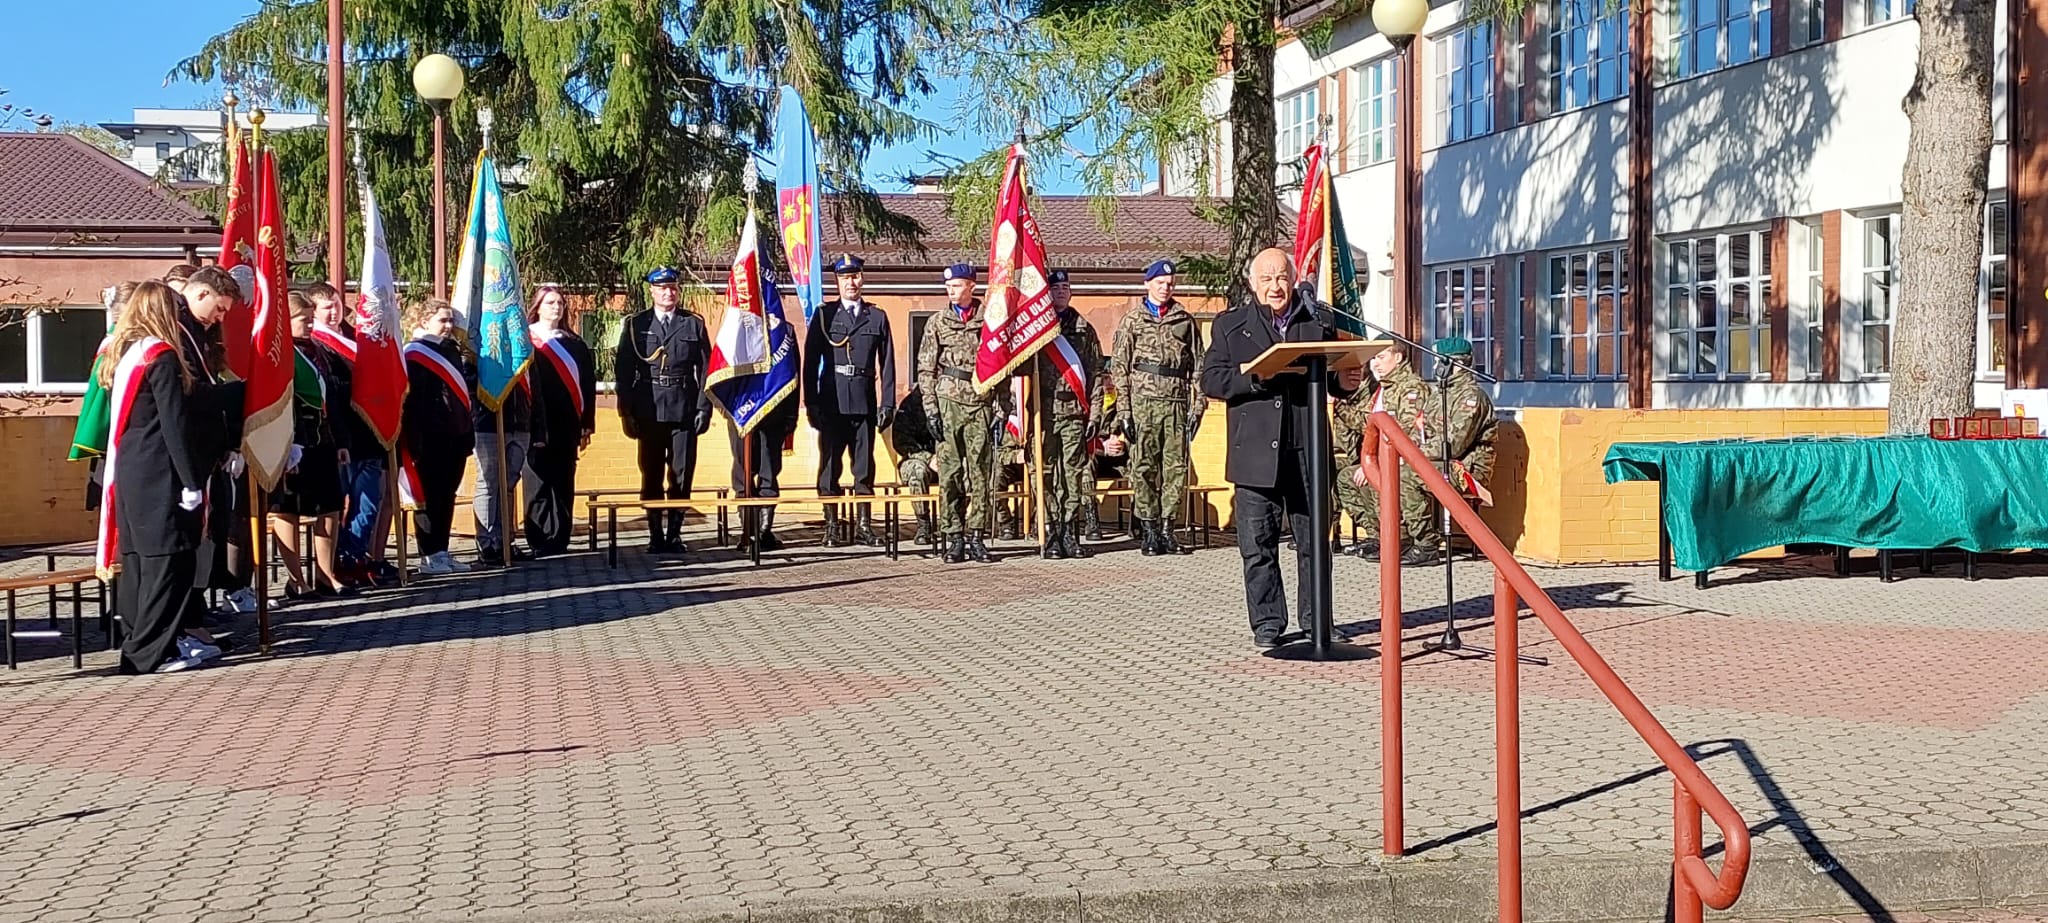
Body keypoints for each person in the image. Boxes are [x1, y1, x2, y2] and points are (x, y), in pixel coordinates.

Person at [1199, 249, 1362, 648]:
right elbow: (1212, 379)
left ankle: (1317, 621)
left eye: (1282, 278)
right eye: (1267, 279)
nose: (1276, 286)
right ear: (1252, 284)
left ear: (1293, 280)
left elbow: (1331, 374)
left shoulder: (1317, 322)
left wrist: (1345, 382)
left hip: (1307, 449)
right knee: (1258, 545)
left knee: (1314, 543)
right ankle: (1268, 624)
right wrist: (1253, 377)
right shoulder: (1231, 326)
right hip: (1255, 453)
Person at [100, 281, 221, 673]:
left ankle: (143, 643)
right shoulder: (162, 357)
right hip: (160, 472)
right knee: (168, 562)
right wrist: (191, 481)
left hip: (131, 468)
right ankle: (148, 653)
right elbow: (173, 424)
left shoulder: (124, 352)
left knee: (138, 562)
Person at [1110, 259, 1207, 556]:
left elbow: (1199, 367)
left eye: (1170, 283)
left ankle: (1168, 529)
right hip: (1142, 405)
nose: (1165, 288)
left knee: (1175, 469)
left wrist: (1198, 407)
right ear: (1147, 284)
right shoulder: (1132, 321)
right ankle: (1149, 529)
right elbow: (1119, 368)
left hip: (1176, 404)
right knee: (1143, 468)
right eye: (1160, 283)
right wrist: (1124, 412)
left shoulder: (1184, 321)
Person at [803, 254, 897, 546]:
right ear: (837, 282)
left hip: (864, 403)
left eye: (855, 277)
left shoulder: (876, 317)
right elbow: (810, 364)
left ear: (862, 279)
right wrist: (812, 403)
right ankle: (831, 525)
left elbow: (888, 364)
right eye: (845, 278)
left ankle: (864, 526)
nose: (851, 283)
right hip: (831, 405)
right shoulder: (825, 316)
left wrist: (887, 403)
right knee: (830, 467)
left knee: (864, 467)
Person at [615, 266, 711, 554]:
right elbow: (623, 373)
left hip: (684, 408)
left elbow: (706, 369)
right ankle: (655, 534)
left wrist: (703, 408)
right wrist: (626, 412)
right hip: (650, 408)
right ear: (652, 291)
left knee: (682, 473)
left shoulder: (693, 323)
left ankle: (675, 534)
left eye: (672, 287)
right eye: (662, 288)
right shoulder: (636, 324)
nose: (668, 293)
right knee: (651, 473)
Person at [179, 267, 255, 621]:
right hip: (189, 452)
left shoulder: (201, 332)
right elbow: (190, 394)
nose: (221, 318)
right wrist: (234, 394)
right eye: (219, 308)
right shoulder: (178, 332)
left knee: (210, 531)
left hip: (211, 451)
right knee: (191, 539)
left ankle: (197, 608)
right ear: (201, 294)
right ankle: (189, 615)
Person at [916, 263, 1001, 564]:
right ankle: (953, 537)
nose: (951, 291)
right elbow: (926, 369)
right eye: (948, 286)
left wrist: (1002, 409)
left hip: (980, 400)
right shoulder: (938, 322)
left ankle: (976, 536)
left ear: (971, 287)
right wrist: (931, 410)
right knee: (950, 473)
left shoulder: (989, 321)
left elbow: (1002, 365)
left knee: (980, 473)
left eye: (956, 285)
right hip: (948, 402)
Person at [269, 291, 352, 598]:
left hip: (322, 441)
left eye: (309, 318)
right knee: (288, 510)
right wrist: (288, 443)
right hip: (293, 444)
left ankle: (326, 575)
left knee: (330, 507)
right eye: (303, 319)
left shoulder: (316, 350)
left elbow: (332, 398)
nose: (309, 325)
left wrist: (341, 440)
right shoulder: (278, 353)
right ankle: (296, 580)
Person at [1344, 343, 1443, 566]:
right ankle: (1381, 535)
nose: (1375, 364)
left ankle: (1417, 540)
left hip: (1405, 458)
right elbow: (1367, 425)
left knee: (1384, 479)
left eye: (1381, 357)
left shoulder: (1411, 387)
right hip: (1382, 457)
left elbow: (1405, 432)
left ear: (1398, 358)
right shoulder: (1383, 389)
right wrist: (1340, 405)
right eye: (1373, 359)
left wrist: (1376, 463)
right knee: (1346, 479)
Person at [1033, 269, 1106, 558]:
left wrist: (1096, 414)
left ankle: (1069, 531)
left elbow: (1096, 374)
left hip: (1074, 411)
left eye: (1065, 287)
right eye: (1055, 287)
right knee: (1046, 472)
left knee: (1073, 474)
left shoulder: (1083, 328)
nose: (1061, 291)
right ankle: (1051, 530)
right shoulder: (1035, 328)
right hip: (1043, 412)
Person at [402, 299, 477, 576]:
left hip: (454, 435)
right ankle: (428, 555)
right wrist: (415, 441)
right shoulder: (415, 354)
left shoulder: (450, 351)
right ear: (424, 321)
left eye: (450, 320)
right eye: (442, 320)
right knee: (429, 498)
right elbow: (414, 403)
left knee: (447, 496)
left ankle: (442, 551)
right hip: (429, 438)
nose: (448, 326)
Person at [524, 284, 598, 558]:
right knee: (537, 482)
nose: (556, 307)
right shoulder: (526, 340)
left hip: (567, 421)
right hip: (536, 422)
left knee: (564, 481)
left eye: (560, 303)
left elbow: (587, 385)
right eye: (550, 302)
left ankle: (560, 537)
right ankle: (539, 539)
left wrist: (587, 422)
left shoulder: (574, 343)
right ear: (538, 307)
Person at [472, 323, 546, 569]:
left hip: (520, 425)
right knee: (489, 482)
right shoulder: (483, 351)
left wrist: (538, 429)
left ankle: (505, 540)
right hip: (489, 425)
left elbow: (536, 393)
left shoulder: (524, 355)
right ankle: (487, 542)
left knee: (509, 484)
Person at [1434, 335, 1499, 540]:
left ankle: (1424, 543)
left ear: (1451, 364)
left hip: (1466, 469)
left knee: (1407, 474)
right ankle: (1401, 538)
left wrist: (1412, 453)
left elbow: (1453, 445)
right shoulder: (1439, 395)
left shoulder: (1472, 397)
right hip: (1438, 461)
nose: (1435, 367)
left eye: (1437, 362)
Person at [889, 385, 938, 545]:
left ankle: (954, 524)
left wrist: (944, 456)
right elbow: (901, 442)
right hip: (914, 459)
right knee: (918, 471)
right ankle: (923, 525)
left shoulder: (948, 399)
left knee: (966, 468)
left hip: (944, 458)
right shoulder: (910, 404)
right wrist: (928, 458)